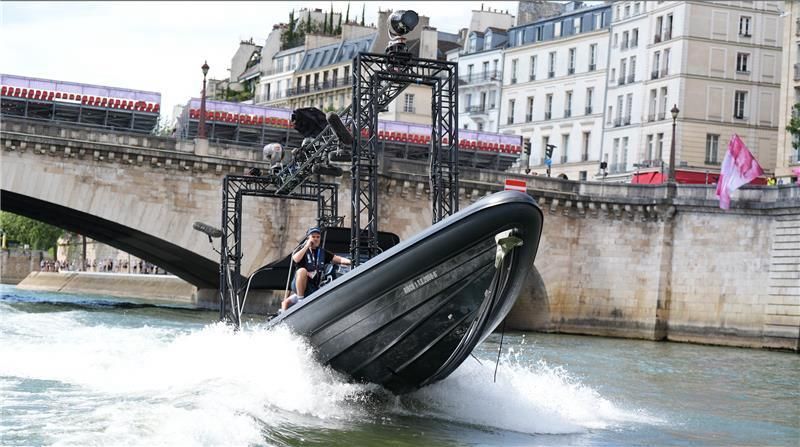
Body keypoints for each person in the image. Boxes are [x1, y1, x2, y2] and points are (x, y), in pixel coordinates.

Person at [281, 227, 351, 311]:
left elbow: (339, 259)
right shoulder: (301, 249)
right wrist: (306, 246)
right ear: (308, 238)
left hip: (313, 287)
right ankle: (300, 301)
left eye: (318, 237)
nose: (316, 239)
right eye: (313, 237)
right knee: (302, 271)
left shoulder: (322, 252)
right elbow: (296, 259)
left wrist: (351, 261)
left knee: (287, 302)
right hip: (299, 285)